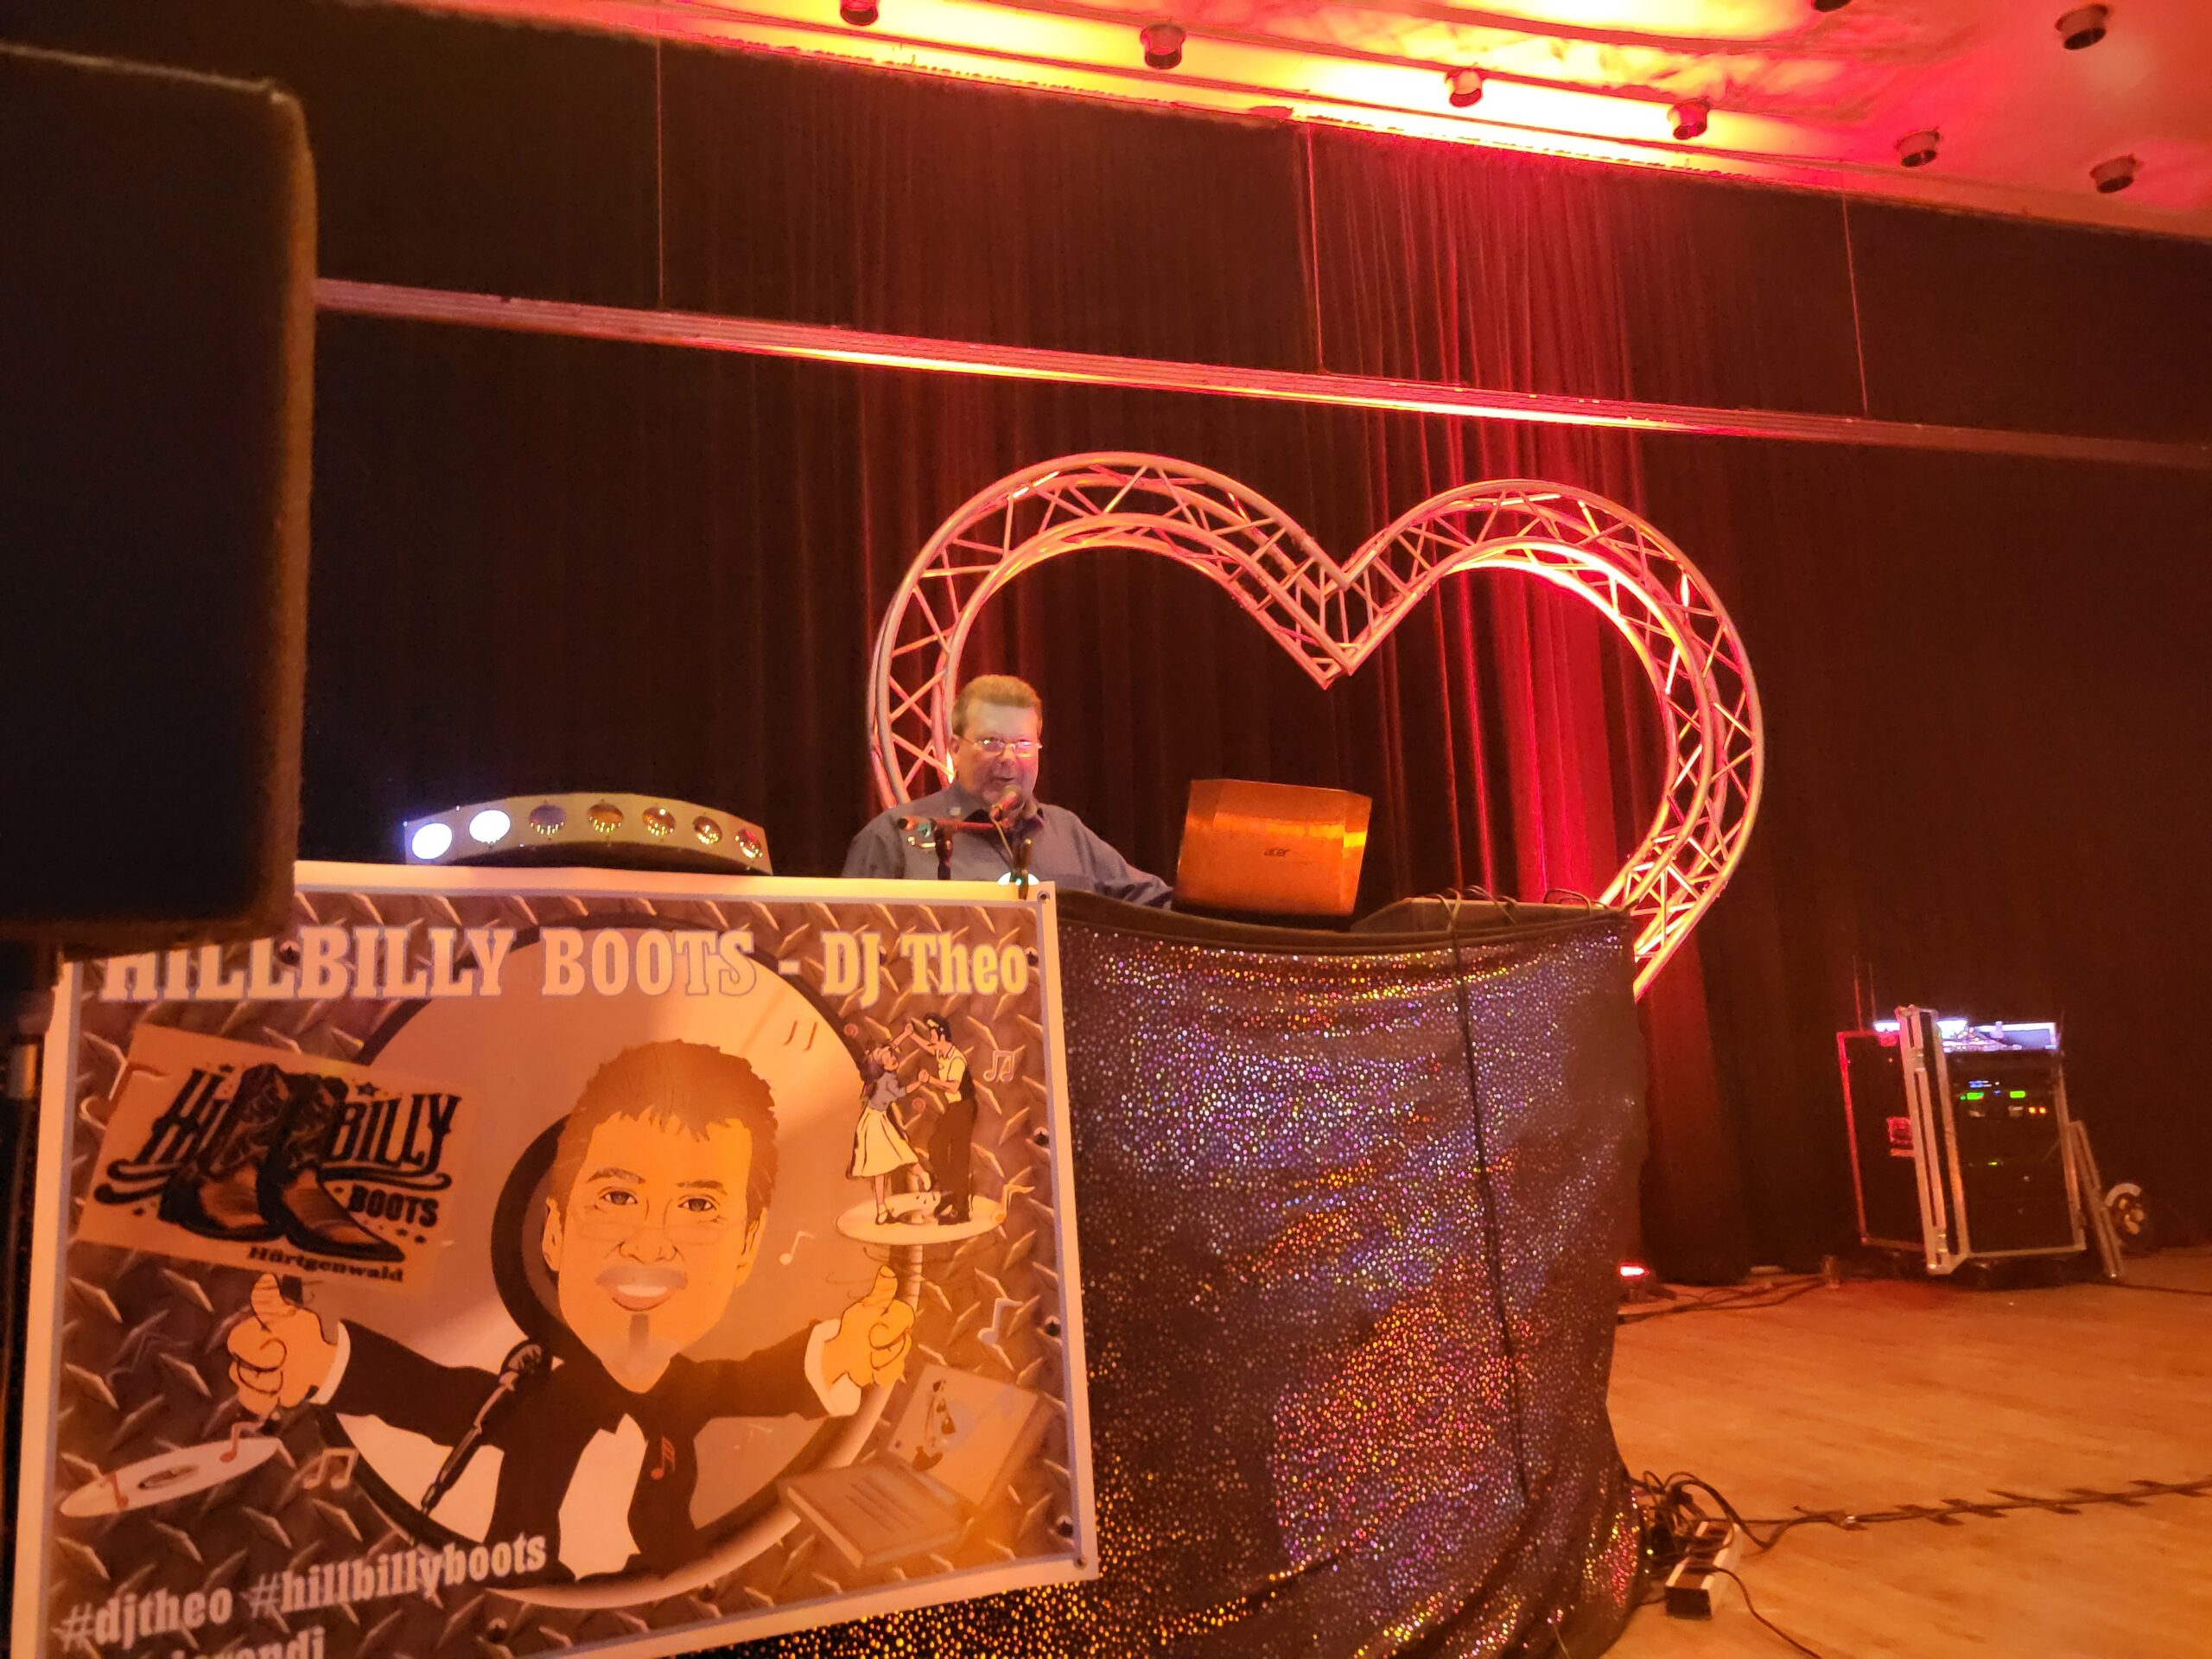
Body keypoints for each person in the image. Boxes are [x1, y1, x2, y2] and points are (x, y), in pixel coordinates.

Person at [225, 1040, 913, 1581]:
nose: (650, 1242)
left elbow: (759, 1380)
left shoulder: (689, 1394)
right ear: (553, 1233)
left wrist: (840, 1351)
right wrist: (324, 1359)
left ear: (745, 1248)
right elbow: (427, 1395)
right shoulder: (530, 1397)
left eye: (699, 1205)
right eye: (617, 1197)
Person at [842, 674, 1171, 905]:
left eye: (1023, 744)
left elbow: (1156, 903)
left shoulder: (1067, 832)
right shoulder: (895, 835)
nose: (1009, 758)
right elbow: (848, 941)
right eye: (991, 743)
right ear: (955, 748)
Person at [909, 1015, 977, 1224]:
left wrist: (930, 1079)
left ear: (942, 1037)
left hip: (964, 1107)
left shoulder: (956, 1060)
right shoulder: (941, 1051)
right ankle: (949, 1194)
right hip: (954, 1108)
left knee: (957, 1157)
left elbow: (954, 1087)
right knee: (938, 1147)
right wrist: (912, 1036)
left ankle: (961, 1208)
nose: (931, 1040)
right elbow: (929, 1048)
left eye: (933, 1036)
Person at [849, 1040, 924, 1224]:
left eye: (890, 1055)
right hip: (875, 1123)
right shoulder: (887, 1081)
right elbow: (901, 1093)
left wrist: (905, 1035)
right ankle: (923, 1175)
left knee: (884, 1164)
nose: (892, 1058)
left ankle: (882, 1208)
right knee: (891, 1157)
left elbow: (889, 1044)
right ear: (881, 1067)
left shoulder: (881, 1076)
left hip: (874, 1120)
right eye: (887, 1059)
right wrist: (920, 1083)